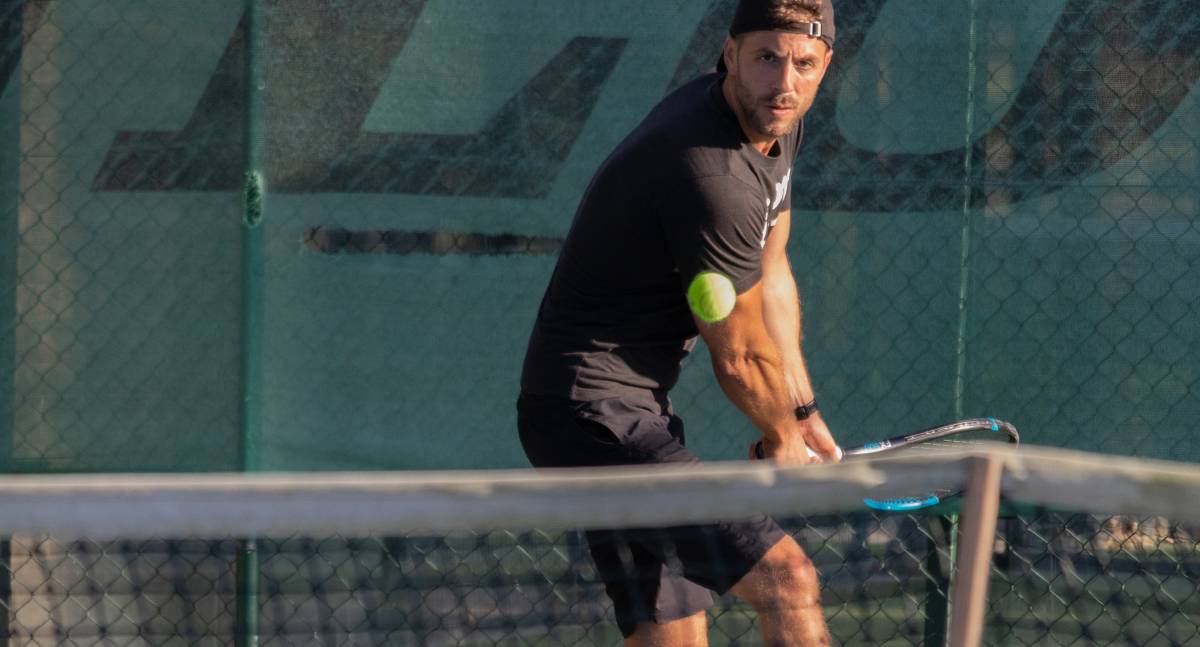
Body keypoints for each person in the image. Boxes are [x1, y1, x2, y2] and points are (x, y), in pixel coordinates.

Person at [517, 1, 839, 644]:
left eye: (803, 63)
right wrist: (778, 434)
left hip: (625, 409)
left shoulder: (777, 122)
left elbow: (771, 269)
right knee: (787, 579)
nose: (784, 81)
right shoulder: (710, 172)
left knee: (675, 625)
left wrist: (801, 412)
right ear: (730, 55)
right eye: (766, 58)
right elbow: (740, 355)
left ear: (824, 66)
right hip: (591, 416)